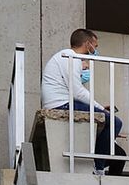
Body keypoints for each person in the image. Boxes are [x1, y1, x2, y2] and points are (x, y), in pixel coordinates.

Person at [40, 28, 122, 175]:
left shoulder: (65, 56)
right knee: (115, 122)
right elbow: (77, 92)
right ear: (87, 43)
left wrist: (99, 108)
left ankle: (98, 162)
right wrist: (101, 109)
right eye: (95, 46)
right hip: (62, 104)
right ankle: (98, 167)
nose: (95, 50)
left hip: (62, 102)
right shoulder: (71, 57)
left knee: (107, 120)